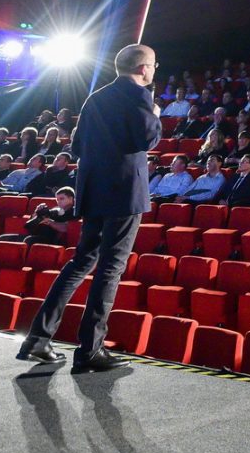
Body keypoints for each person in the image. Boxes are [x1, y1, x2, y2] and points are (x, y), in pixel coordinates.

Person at [18, 43, 162, 371]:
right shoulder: (140, 95)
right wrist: (155, 115)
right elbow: (147, 140)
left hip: (93, 190)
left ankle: (38, 338)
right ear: (143, 69)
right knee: (110, 268)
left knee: (81, 262)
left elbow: (77, 145)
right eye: (153, 65)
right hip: (123, 192)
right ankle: (90, 349)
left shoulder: (95, 97)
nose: (154, 70)